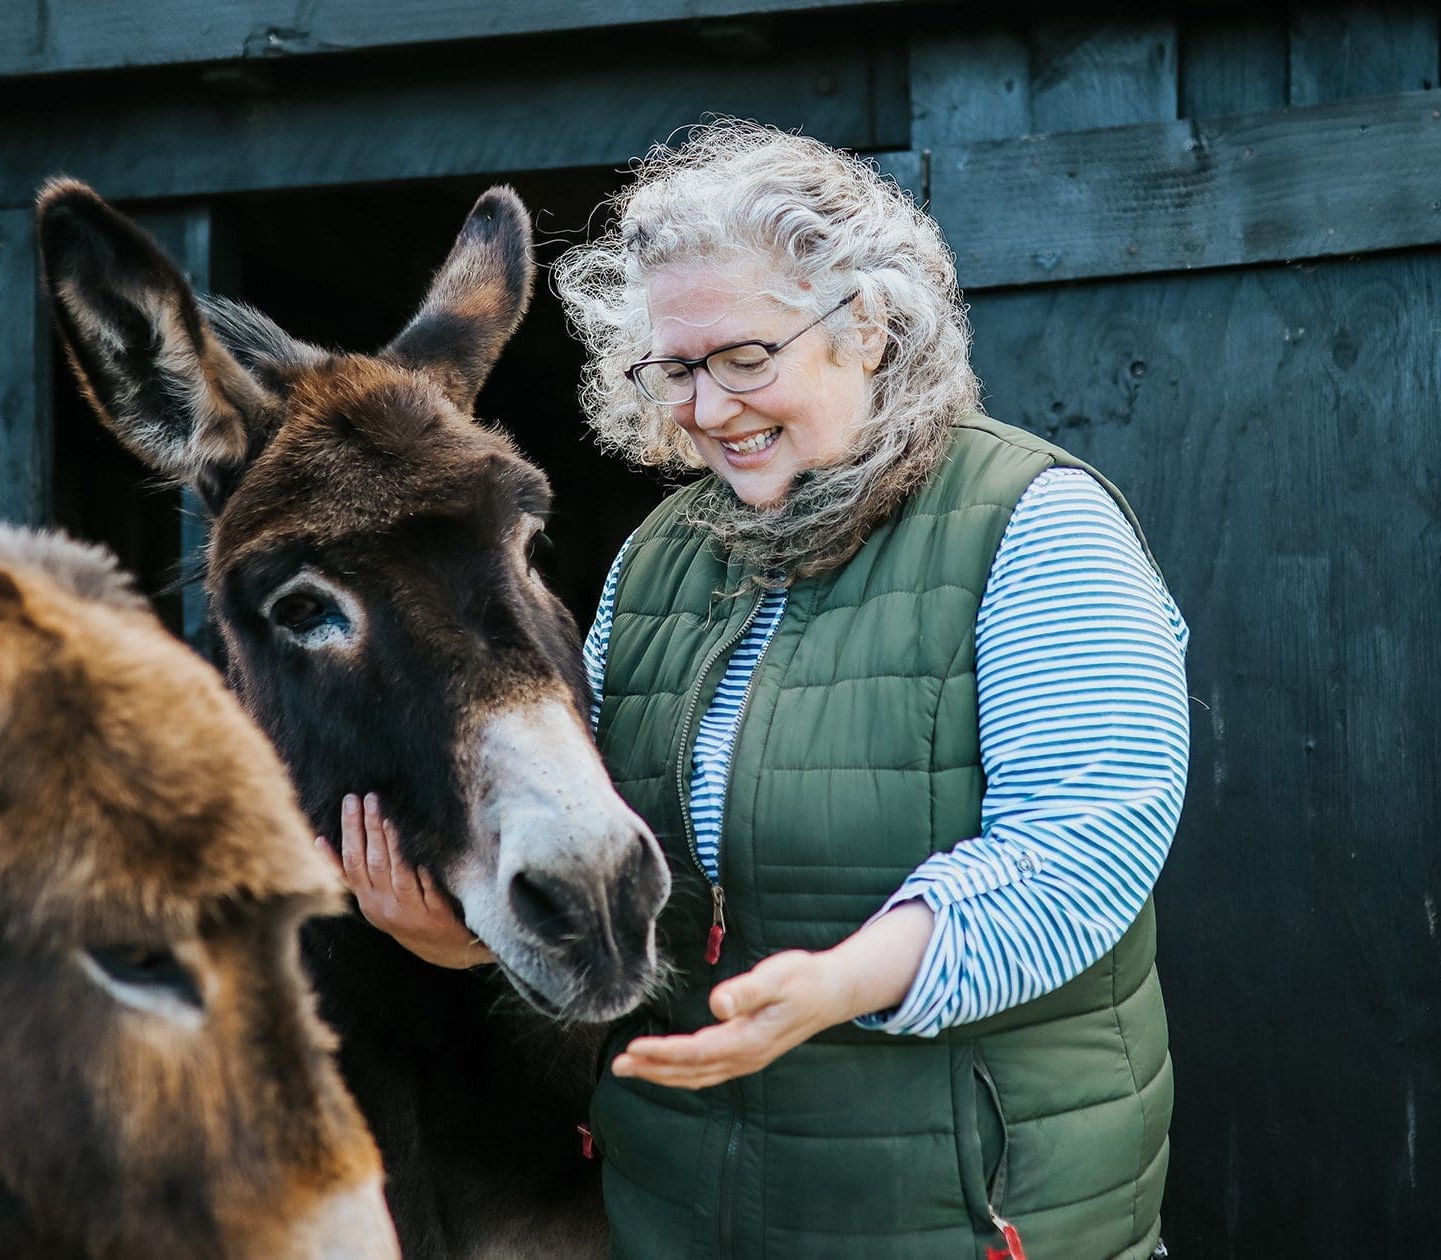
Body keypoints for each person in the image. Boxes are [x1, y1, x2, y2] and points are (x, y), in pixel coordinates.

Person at [328, 120, 1188, 1259]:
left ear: (869, 329)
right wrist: (468, 941)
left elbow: (1081, 849)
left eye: (745, 359)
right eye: (675, 369)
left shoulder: (1038, 528)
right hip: (679, 1216)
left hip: (962, 1221)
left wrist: (843, 982)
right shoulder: (658, 559)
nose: (709, 406)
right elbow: (631, 870)